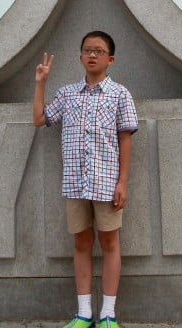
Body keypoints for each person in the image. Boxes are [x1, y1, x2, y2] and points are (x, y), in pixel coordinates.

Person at [32, 31, 138, 328]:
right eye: (87, 50)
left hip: (106, 182)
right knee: (81, 241)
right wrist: (41, 83)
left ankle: (108, 314)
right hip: (75, 182)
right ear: (80, 57)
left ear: (110, 59)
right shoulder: (67, 94)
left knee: (109, 242)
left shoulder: (120, 94)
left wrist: (123, 182)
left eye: (99, 51)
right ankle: (83, 313)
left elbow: (126, 139)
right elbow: (40, 119)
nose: (92, 55)